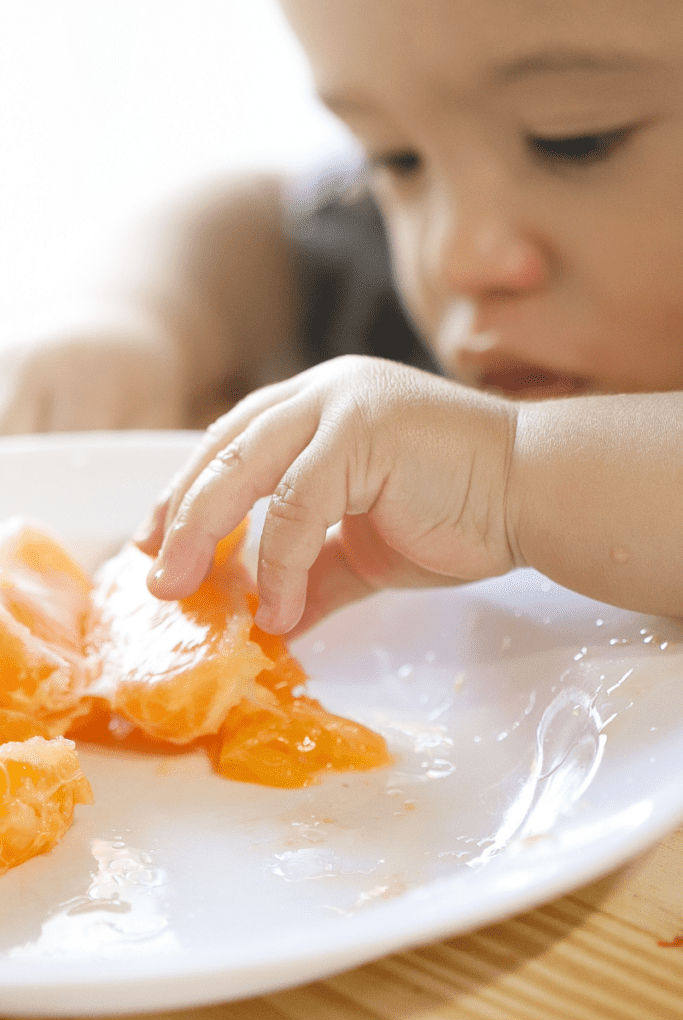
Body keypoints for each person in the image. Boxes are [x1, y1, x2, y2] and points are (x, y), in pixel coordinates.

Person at [12, 0, 683, 635]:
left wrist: (508, 479)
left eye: (574, 139)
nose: (453, 254)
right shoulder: (392, 288)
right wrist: (138, 317)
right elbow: (263, 224)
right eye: (395, 158)